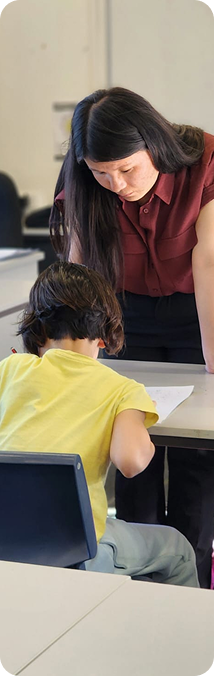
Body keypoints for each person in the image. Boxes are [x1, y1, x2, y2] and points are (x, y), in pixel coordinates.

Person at [49, 87, 214, 589]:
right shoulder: (85, 175)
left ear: (154, 145)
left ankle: (191, 582)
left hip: (195, 311)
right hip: (125, 313)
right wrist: (69, 358)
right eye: (102, 172)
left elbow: (208, 263)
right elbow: (78, 263)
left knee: (196, 460)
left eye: (126, 169)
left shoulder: (204, 160)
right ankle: (138, 585)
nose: (115, 183)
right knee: (132, 450)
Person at [0, 261, 198, 587]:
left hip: (9, 537)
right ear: (104, 337)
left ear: (38, 330)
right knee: (177, 550)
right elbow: (131, 461)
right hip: (79, 549)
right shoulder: (121, 389)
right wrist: (141, 430)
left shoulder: (10, 369)